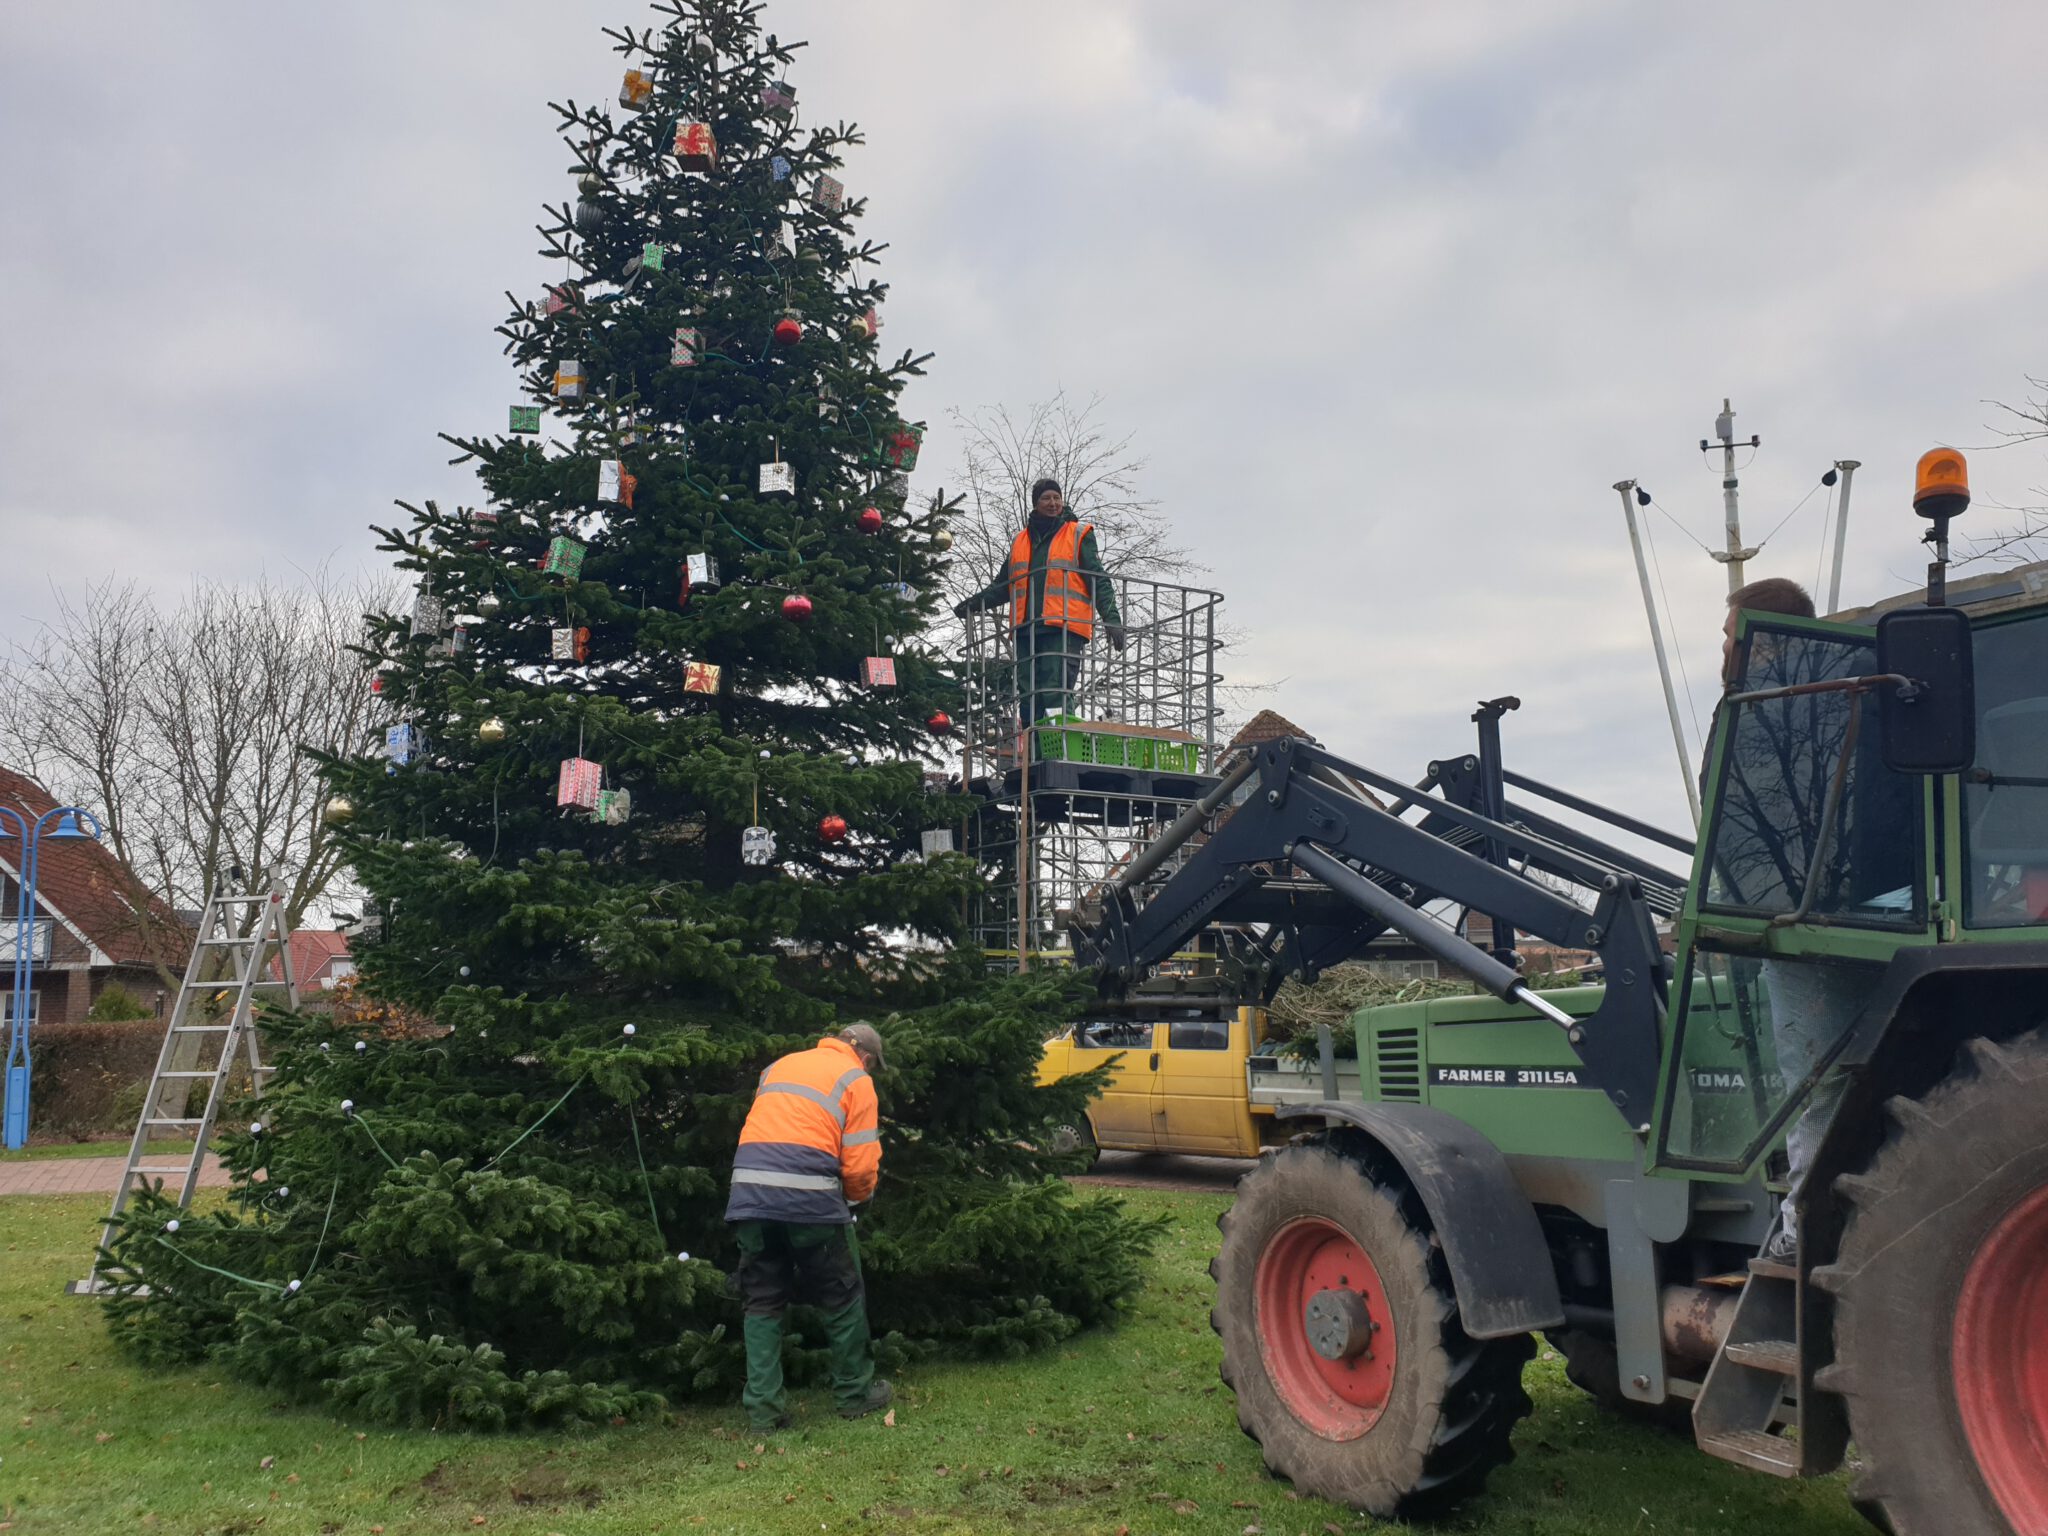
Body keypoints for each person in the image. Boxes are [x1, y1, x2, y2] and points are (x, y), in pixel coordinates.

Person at [1713, 576, 1874, 1260]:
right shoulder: (1844, 700)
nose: (1724, 654)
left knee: (1817, 1082)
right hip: (1849, 912)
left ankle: (1801, 1229)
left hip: (1806, 927)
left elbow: (1759, 835)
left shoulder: (1778, 717)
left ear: (1765, 642)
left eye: (1730, 638)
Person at [725, 1023, 893, 1429]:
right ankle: (854, 1394)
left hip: (749, 1197)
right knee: (842, 1295)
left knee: (761, 1301)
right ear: (865, 1057)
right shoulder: (856, 1079)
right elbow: (860, 1167)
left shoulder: (778, 1067)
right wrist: (856, 1202)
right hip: (810, 1200)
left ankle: (764, 1413)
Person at [954, 479, 1125, 725]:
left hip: (1063, 628)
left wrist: (1112, 619)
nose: (1053, 503)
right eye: (1046, 498)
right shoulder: (1020, 541)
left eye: (1057, 497)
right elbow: (1003, 586)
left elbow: (1098, 579)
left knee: (1055, 691)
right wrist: (974, 604)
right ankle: (1032, 743)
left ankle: (1059, 741)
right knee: (1028, 695)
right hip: (1026, 630)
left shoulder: (1077, 534)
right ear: (1036, 503)